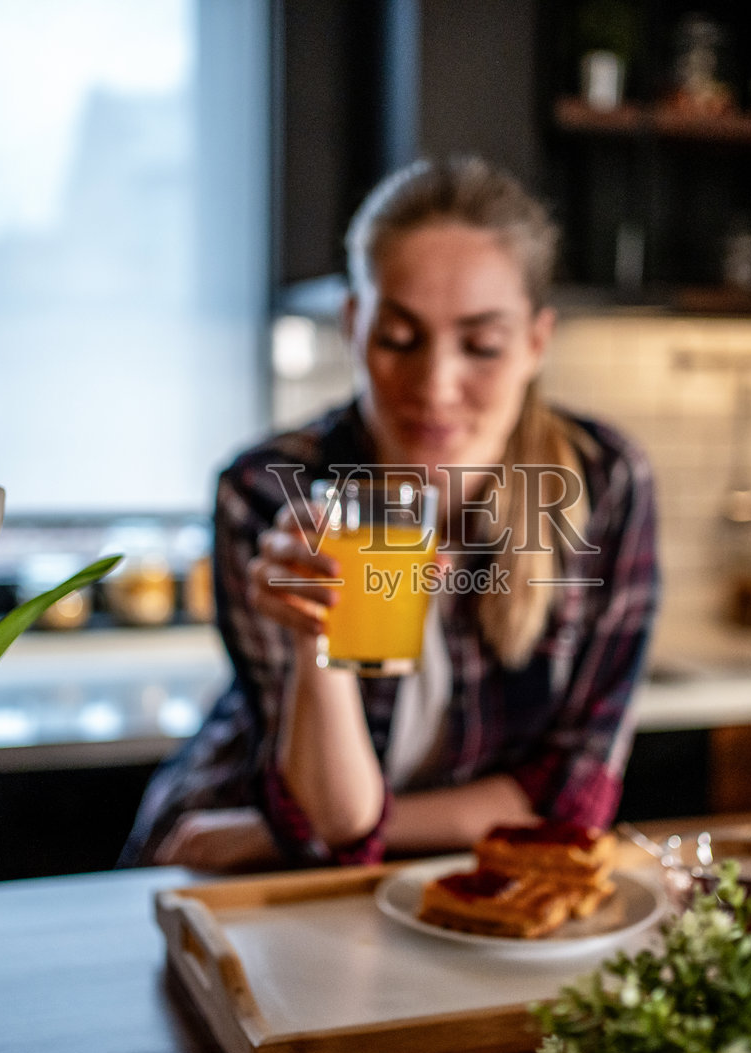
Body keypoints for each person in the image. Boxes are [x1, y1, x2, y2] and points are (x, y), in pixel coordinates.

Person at [120, 156, 659, 871]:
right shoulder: (268, 490)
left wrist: (321, 829)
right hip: (246, 863)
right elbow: (327, 818)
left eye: (482, 346)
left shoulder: (605, 483)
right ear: (353, 326)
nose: (435, 386)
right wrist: (319, 640)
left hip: (341, 849)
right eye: (399, 338)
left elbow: (572, 799)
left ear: (535, 342)